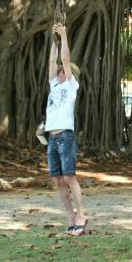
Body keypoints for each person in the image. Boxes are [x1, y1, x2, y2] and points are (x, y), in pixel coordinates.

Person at [46, 22, 87, 236]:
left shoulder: (72, 87)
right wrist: (54, 41)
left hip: (65, 137)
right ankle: (70, 216)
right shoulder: (54, 85)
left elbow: (65, 59)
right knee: (58, 180)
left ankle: (81, 214)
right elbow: (53, 61)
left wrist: (63, 35)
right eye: (60, 71)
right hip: (52, 139)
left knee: (69, 177)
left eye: (64, 71)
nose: (61, 72)